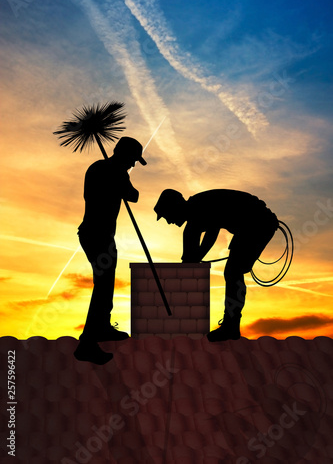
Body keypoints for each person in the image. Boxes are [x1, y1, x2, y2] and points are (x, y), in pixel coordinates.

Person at [154, 189, 279, 342]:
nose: (169, 221)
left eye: (167, 216)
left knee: (233, 272)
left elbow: (211, 234)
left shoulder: (198, 208)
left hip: (259, 223)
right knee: (233, 271)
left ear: (174, 207)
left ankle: (231, 326)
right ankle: (231, 325)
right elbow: (189, 257)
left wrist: (195, 259)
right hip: (248, 227)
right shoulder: (192, 219)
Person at [74, 137, 147, 364]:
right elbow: (133, 195)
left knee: (105, 283)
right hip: (97, 236)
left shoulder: (101, 169)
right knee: (103, 285)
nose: (133, 165)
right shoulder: (109, 171)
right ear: (124, 155)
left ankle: (103, 327)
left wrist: (120, 179)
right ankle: (87, 343)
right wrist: (119, 179)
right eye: (133, 160)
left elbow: (131, 196)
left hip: (98, 235)